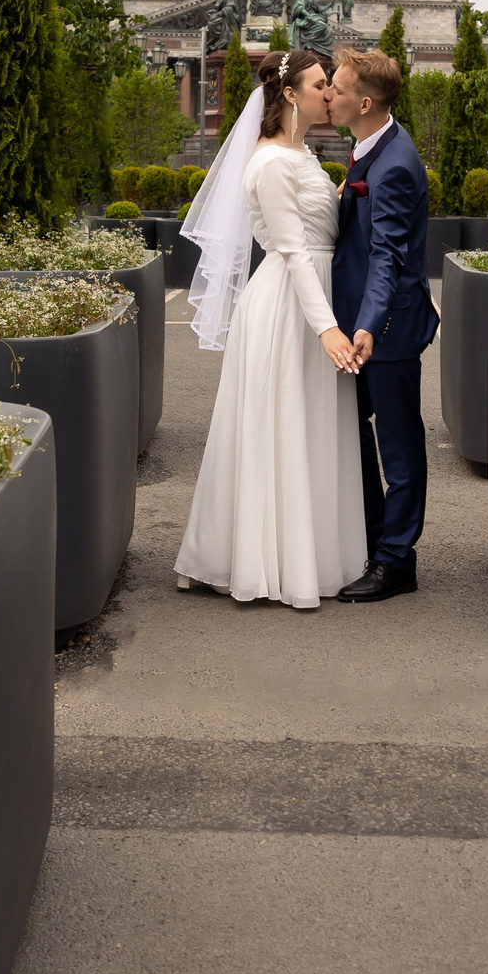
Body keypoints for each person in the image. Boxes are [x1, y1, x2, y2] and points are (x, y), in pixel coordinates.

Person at [172, 49, 371, 609]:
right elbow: (291, 252)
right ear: (290, 94)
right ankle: (269, 563)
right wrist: (327, 329)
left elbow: (315, 231)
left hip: (312, 296)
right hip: (291, 307)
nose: (328, 93)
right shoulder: (271, 162)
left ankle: (311, 553)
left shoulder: (301, 153)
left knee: (309, 426)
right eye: (319, 84)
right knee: (281, 423)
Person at [325, 47, 438, 602]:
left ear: (364, 102)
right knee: (358, 438)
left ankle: (397, 561)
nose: (328, 95)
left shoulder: (393, 166)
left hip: (387, 329)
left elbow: (388, 256)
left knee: (397, 444)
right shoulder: (370, 146)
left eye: (338, 90)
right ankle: (373, 541)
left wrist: (367, 325)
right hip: (360, 323)